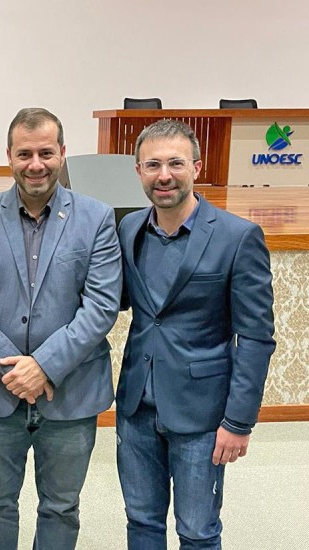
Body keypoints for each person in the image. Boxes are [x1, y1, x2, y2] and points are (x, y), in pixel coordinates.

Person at [0, 107, 122, 550]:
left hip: (71, 390)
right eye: (24, 153)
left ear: (63, 153)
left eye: (46, 152)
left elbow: (101, 305)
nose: (36, 164)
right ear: (8, 155)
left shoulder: (98, 217)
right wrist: (17, 368)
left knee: (61, 506)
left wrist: (43, 366)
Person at [116, 119, 276, 549]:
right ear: (138, 172)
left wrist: (238, 421)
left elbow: (257, 337)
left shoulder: (238, 237)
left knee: (198, 531)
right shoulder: (128, 229)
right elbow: (116, 301)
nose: (163, 175)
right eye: (152, 165)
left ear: (197, 167)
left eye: (175, 163)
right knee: (141, 523)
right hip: (136, 408)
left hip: (203, 416)